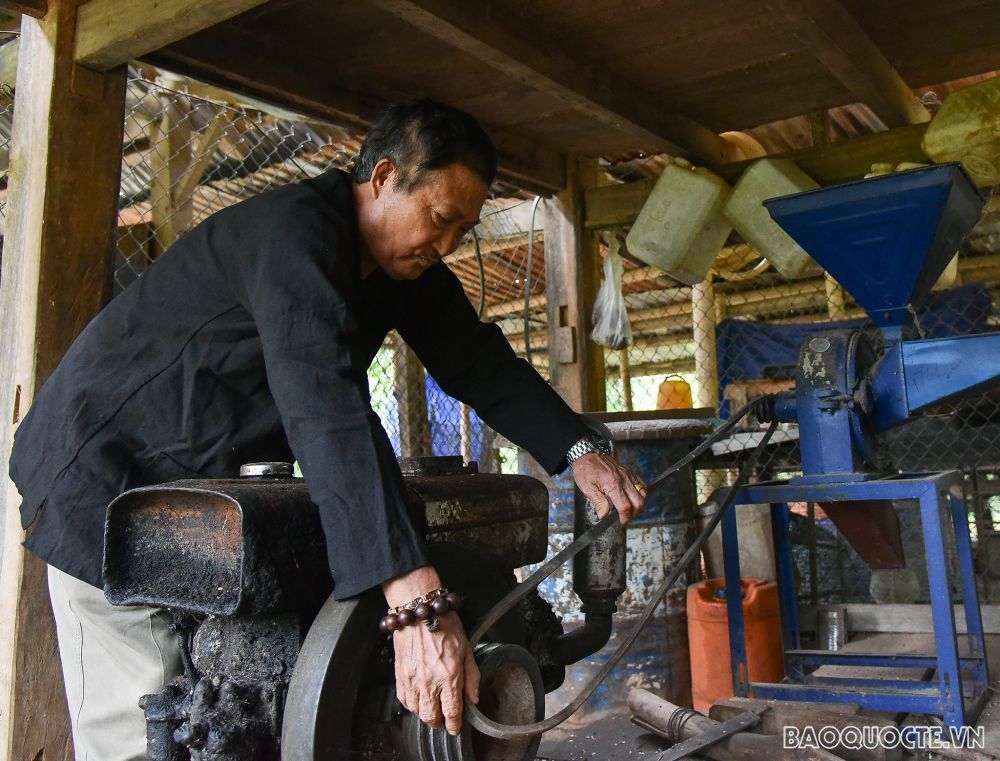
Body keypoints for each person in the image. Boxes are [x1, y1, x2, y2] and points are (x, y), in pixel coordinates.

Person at [9, 98, 647, 760]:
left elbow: (477, 360)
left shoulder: (402, 266)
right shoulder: (292, 237)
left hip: (195, 511)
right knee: (159, 728)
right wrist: (415, 601)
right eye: (439, 218)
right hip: (107, 494)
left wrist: (578, 450)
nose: (449, 244)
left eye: (464, 229)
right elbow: (326, 404)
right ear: (382, 179)